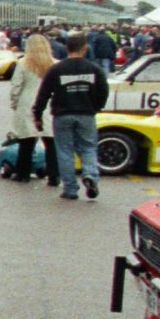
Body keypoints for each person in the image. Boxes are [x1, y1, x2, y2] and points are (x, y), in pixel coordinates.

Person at [43, 33, 108, 201]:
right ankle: (90, 175)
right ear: (84, 48)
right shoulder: (94, 69)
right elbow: (103, 91)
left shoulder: (56, 69)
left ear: (67, 48)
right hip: (86, 113)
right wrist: (96, 107)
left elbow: (44, 93)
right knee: (88, 147)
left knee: (64, 151)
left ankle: (70, 189)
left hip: (62, 114)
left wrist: (37, 113)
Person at [3, 34, 55, 185]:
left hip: (27, 102)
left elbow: (16, 86)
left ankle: (23, 173)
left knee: (26, 140)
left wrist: (14, 102)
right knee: (51, 141)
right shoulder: (54, 63)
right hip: (48, 103)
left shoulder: (23, 63)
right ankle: (54, 175)